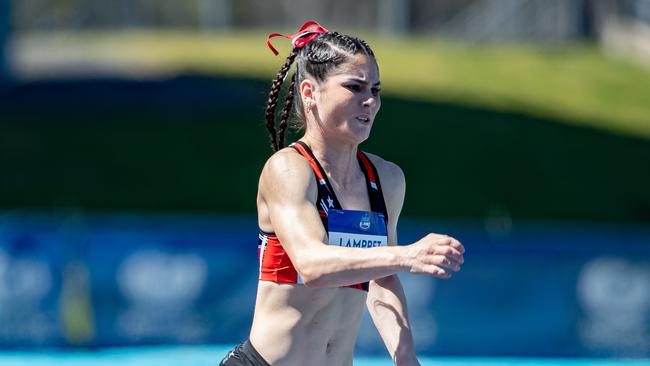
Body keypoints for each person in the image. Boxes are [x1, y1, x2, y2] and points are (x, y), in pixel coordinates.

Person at [219, 21, 465, 366]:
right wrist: (406, 255)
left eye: (376, 90)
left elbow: (380, 277)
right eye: (354, 87)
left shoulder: (387, 179)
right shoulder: (289, 170)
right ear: (309, 93)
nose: (369, 102)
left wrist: (406, 356)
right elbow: (313, 265)